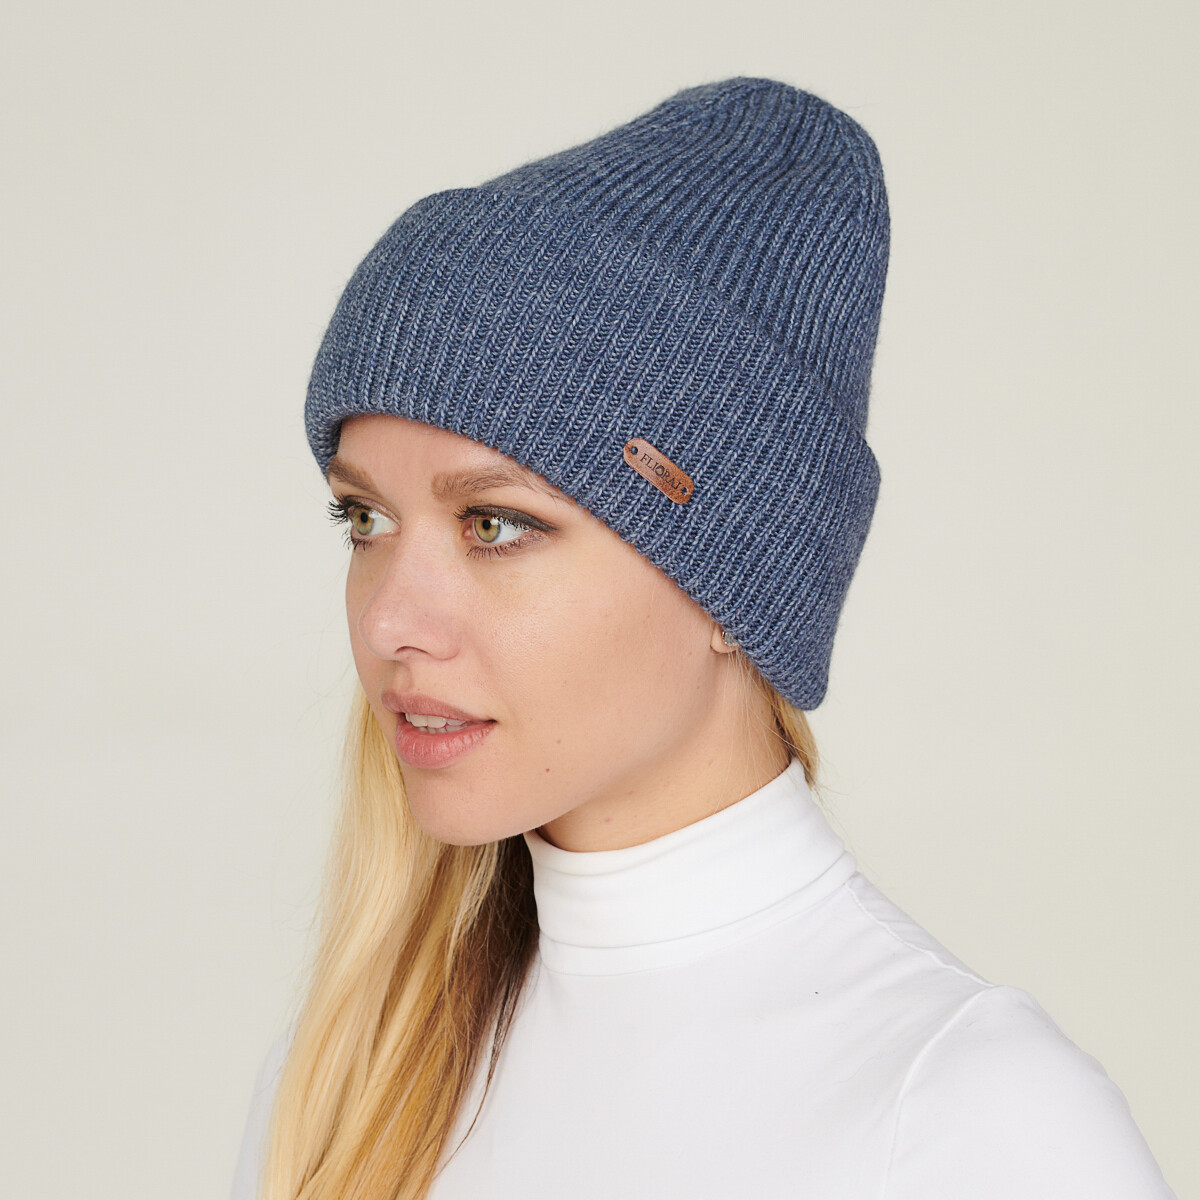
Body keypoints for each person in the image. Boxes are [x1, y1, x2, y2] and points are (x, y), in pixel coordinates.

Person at [229, 77, 1176, 1200]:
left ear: (735, 580)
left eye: (495, 525)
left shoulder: (969, 1119)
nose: (389, 620)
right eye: (364, 519)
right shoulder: (346, 1082)